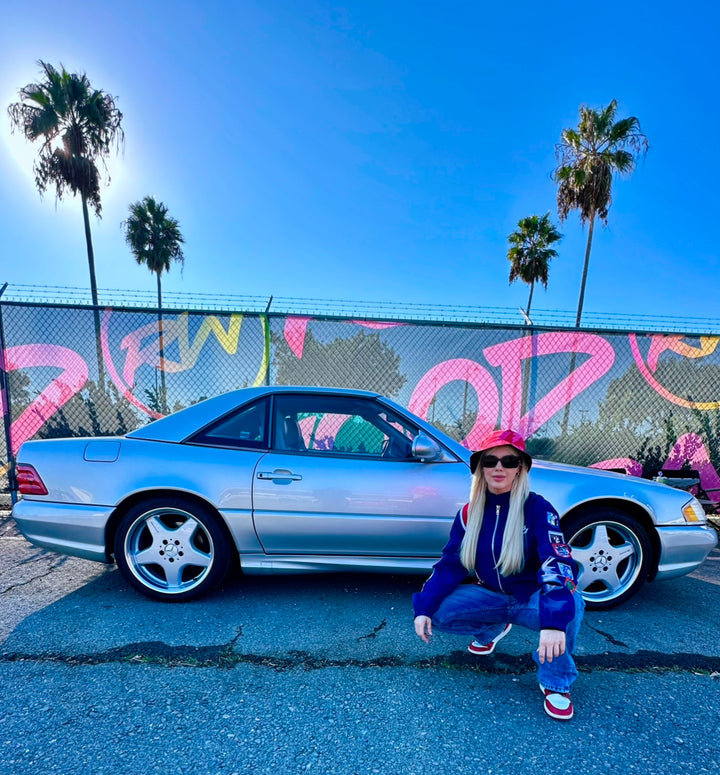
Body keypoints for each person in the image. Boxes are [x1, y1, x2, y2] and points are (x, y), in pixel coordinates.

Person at [413, 429, 584, 720]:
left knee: (571, 604)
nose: (499, 468)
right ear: (480, 468)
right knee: (435, 613)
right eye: (490, 461)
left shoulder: (538, 509)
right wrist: (424, 606)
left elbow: (556, 561)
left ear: (521, 468)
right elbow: (449, 564)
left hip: (530, 597)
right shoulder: (468, 513)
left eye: (509, 461)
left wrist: (553, 622)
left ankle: (556, 681)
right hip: (490, 595)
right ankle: (493, 628)